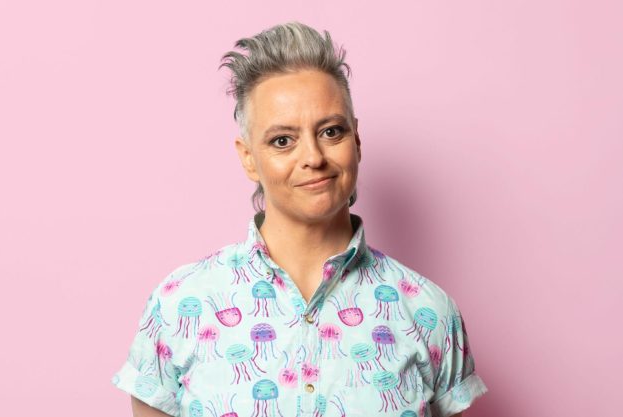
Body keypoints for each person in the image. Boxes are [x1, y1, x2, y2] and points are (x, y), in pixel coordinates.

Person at [111, 21, 488, 417]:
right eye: (282, 140)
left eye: (331, 131)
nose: (312, 157)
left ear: (356, 140)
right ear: (248, 158)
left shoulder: (430, 314)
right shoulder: (178, 306)